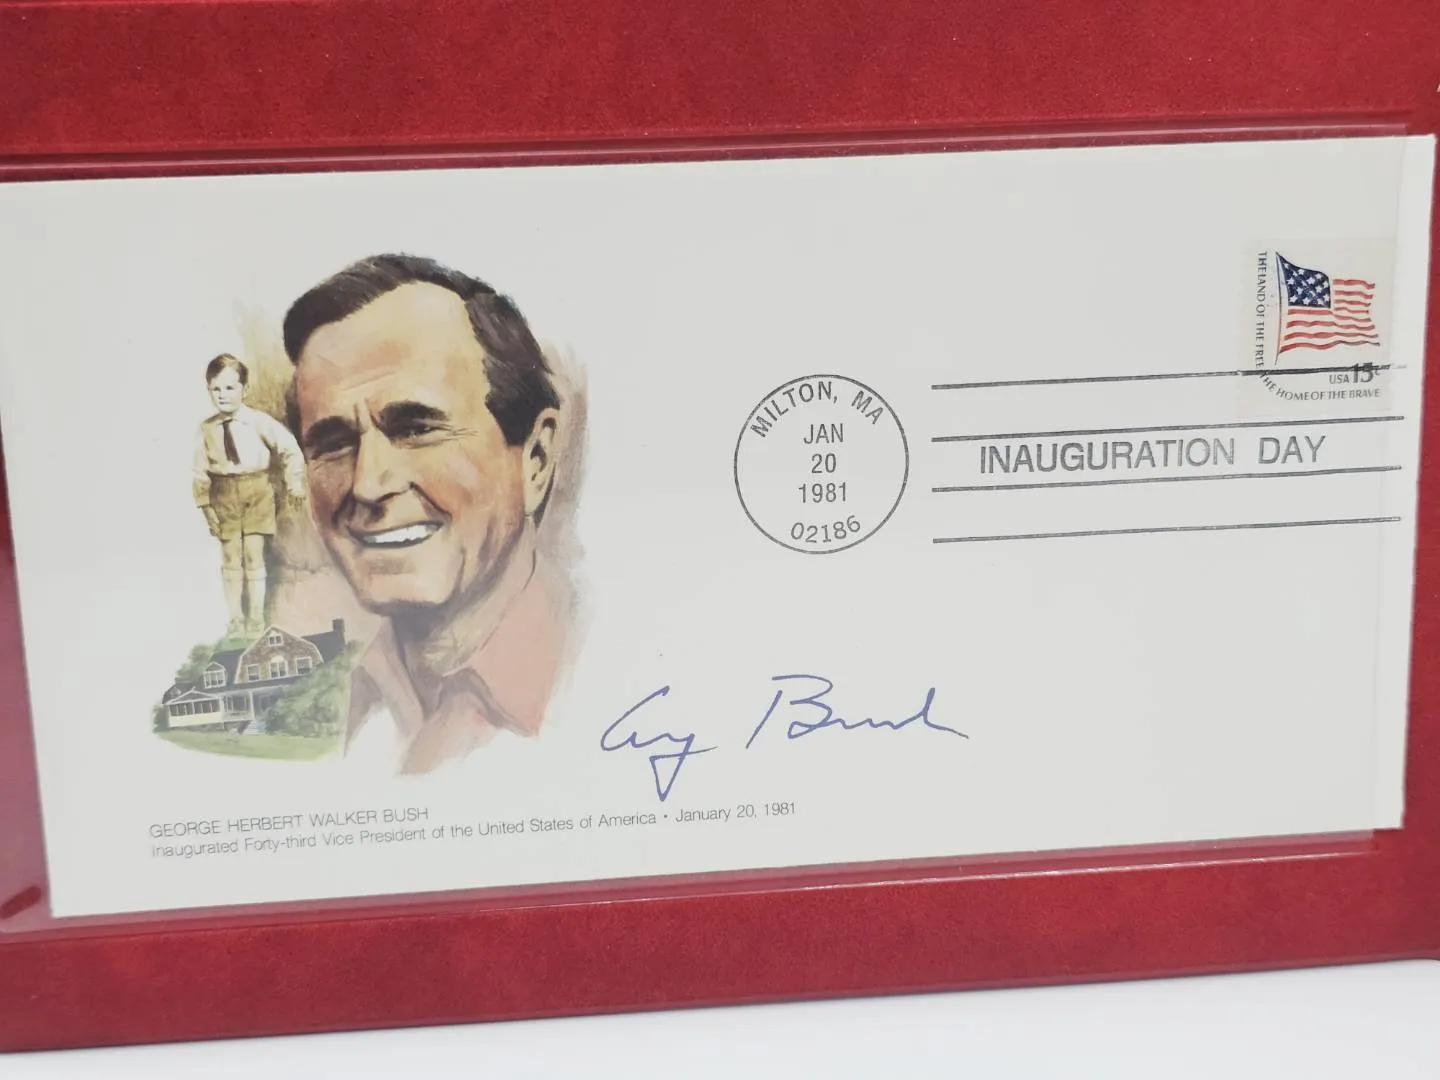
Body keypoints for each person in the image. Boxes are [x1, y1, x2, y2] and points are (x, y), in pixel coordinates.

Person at [283, 254, 568, 774]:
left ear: (536, 459)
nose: (368, 483)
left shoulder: (593, 676)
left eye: (416, 429)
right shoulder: (336, 709)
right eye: (333, 443)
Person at [193, 354, 306, 636]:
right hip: (223, 494)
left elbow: (290, 450)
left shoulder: (258, 422)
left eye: (230, 388)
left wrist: (294, 483)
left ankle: (255, 617)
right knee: (231, 557)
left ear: (245, 389)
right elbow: (199, 470)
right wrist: (205, 505)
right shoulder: (207, 429)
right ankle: (235, 618)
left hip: (256, 492)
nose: (222, 395)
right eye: (216, 389)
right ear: (208, 390)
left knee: (254, 556)